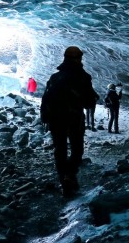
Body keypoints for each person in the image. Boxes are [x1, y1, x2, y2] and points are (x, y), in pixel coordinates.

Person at [40, 46, 97, 197]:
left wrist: (45, 117)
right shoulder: (83, 77)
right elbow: (89, 100)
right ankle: (70, 175)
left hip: (55, 119)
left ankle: (64, 181)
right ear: (78, 58)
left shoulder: (55, 77)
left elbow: (45, 98)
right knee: (77, 149)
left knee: (60, 149)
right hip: (74, 118)